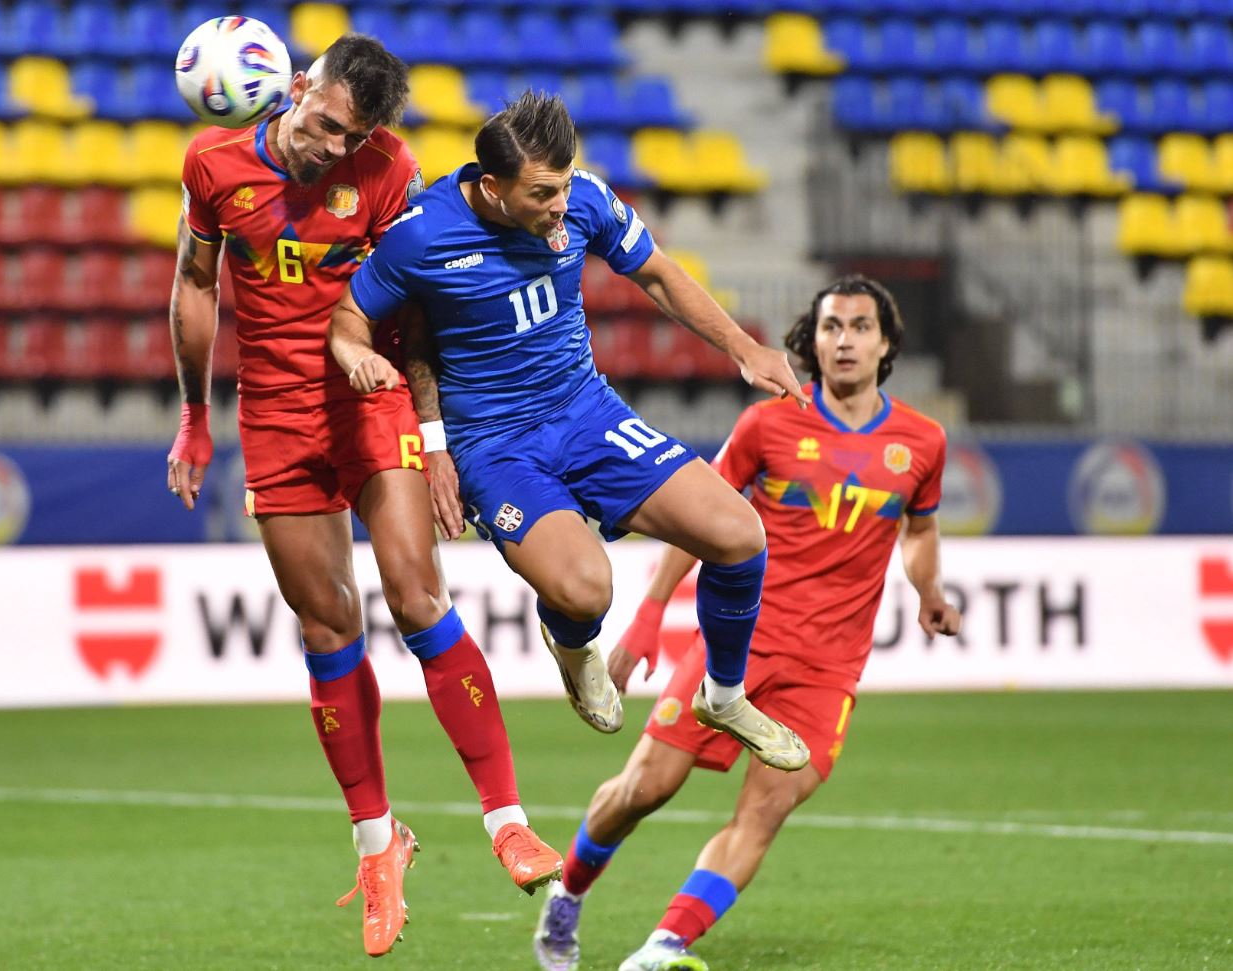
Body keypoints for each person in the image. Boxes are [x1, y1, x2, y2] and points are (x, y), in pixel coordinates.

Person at [164, 36, 561, 959]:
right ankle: (380, 845)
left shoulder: (388, 168)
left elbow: (417, 309)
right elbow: (193, 284)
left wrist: (430, 435)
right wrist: (192, 414)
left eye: (356, 138)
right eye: (329, 128)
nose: (336, 151)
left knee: (421, 600)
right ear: (298, 90)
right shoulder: (212, 163)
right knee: (327, 629)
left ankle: (507, 818)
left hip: (371, 396)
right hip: (276, 416)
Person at [327, 91, 811, 775]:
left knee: (740, 536)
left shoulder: (582, 198)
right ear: (491, 187)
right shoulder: (422, 235)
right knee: (587, 588)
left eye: (563, 185)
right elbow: (348, 316)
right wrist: (356, 356)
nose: (559, 205)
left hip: (587, 412)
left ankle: (724, 696)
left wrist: (743, 349)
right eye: (542, 192)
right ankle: (574, 644)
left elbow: (659, 275)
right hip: (495, 445)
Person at [531, 274, 963, 971]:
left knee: (763, 813)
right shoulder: (769, 423)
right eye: (831, 326)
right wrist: (646, 620)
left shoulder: (922, 441)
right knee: (647, 787)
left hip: (828, 668)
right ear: (812, 340)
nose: (844, 340)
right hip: (741, 643)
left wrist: (929, 588)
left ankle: (663, 945)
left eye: (859, 327)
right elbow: (693, 518)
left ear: (886, 344)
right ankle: (570, 891)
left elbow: (920, 528)